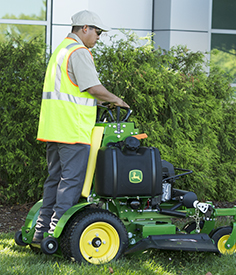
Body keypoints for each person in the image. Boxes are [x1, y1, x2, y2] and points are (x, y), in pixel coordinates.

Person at [33, 10, 129, 242]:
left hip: (55, 129)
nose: (99, 37)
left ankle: (40, 231)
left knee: (54, 180)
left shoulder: (62, 49)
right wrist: (117, 100)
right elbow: (92, 87)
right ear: (84, 28)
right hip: (73, 130)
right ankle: (57, 234)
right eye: (97, 31)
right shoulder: (79, 52)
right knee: (71, 182)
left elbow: (74, 89)